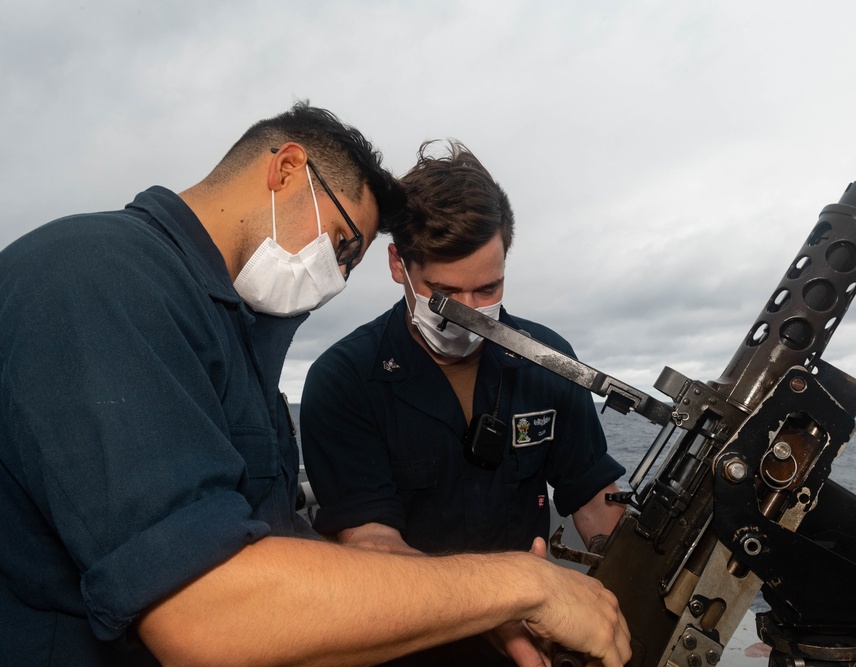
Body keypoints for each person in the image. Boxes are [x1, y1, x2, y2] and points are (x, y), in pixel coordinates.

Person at [0, 104, 631, 667]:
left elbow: (276, 548)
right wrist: (524, 587)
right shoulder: (95, 279)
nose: (335, 279)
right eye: (341, 244)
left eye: (350, 261)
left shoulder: (230, 336)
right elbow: (205, 614)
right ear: (286, 170)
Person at [301, 140, 629, 666]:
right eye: (447, 294)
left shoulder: (550, 362)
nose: (472, 312)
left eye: (489, 288)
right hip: (406, 649)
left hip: (533, 641)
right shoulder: (343, 381)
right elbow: (373, 546)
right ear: (397, 264)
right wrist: (502, 600)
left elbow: (594, 498)